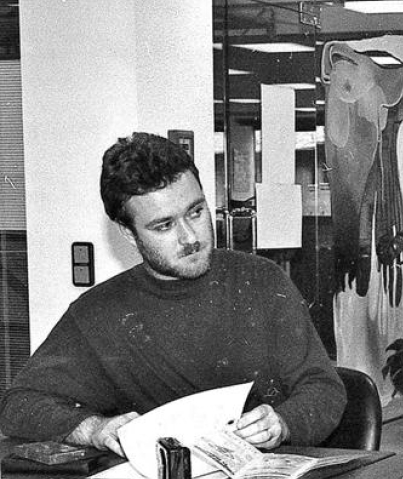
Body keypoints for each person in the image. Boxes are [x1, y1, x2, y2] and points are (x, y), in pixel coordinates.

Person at [0, 132, 346, 455]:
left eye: (196, 212)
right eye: (164, 226)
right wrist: (93, 429)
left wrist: (282, 424)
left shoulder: (261, 280)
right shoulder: (100, 313)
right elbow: (19, 405)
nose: (190, 237)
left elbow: (324, 388)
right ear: (129, 234)